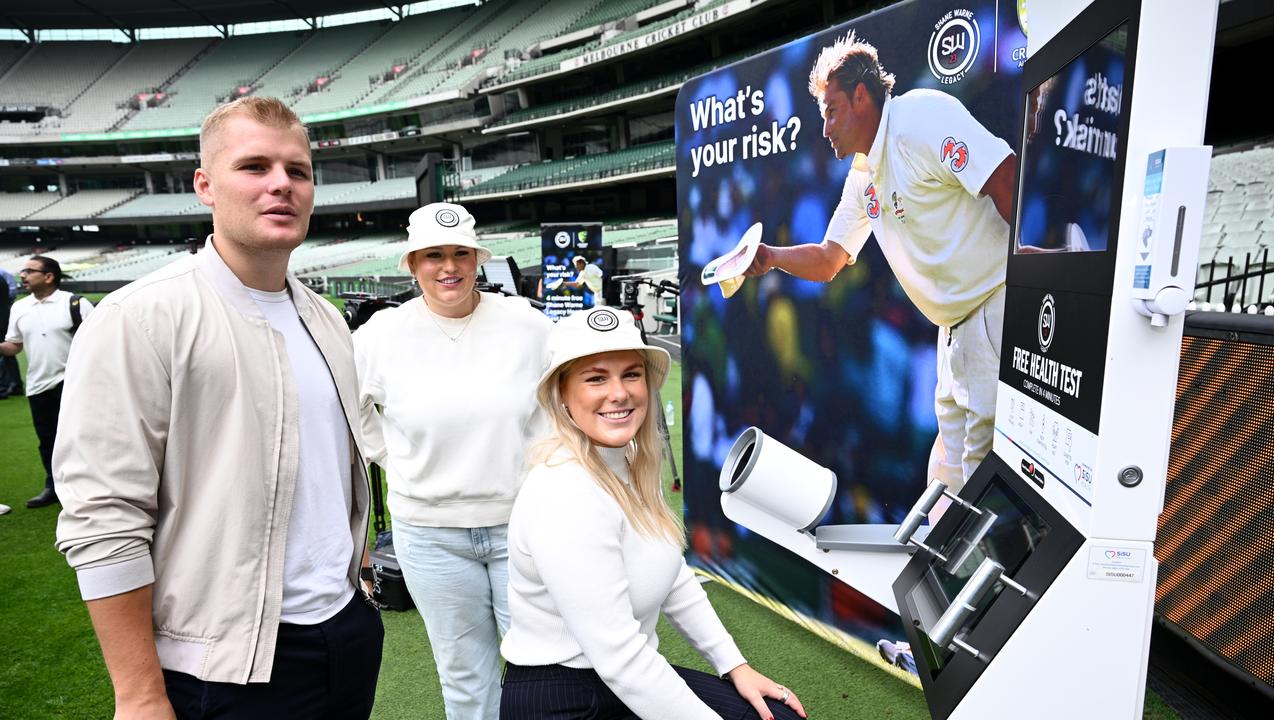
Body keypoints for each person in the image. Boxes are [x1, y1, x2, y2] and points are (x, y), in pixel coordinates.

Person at [54, 96, 382, 718]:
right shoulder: (138, 318)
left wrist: (354, 572)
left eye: (298, 170)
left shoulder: (327, 319)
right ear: (205, 185)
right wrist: (139, 694)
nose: (281, 184)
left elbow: (331, 470)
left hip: (345, 631)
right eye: (254, 166)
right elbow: (104, 517)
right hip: (223, 664)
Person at [746, 31, 1016, 510]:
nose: (825, 128)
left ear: (861, 96)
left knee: (981, 479)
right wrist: (770, 257)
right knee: (949, 481)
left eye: (831, 111)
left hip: (993, 307)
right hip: (954, 330)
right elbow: (829, 259)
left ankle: (1007, 562)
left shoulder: (920, 117)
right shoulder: (862, 175)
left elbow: (1004, 175)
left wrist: (1036, 274)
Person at [500, 306, 807, 720]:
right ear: (562, 395)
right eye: (595, 378)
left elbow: (672, 574)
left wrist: (735, 666)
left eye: (631, 374)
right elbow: (621, 659)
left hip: (617, 679)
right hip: (565, 700)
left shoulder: (628, 461)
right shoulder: (564, 493)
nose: (619, 393)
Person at [353, 201, 552, 720]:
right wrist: (389, 455)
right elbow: (349, 407)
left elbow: (562, 399)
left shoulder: (526, 323)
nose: (449, 267)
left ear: (477, 259)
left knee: (547, 666)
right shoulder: (380, 334)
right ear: (412, 264)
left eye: (461, 253)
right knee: (464, 675)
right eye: (433, 255)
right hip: (429, 536)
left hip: (523, 526)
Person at [0, 255, 93, 509]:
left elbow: (99, 341)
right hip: (37, 384)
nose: (23, 275)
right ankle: (54, 486)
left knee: (83, 437)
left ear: (49, 276)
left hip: (74, 382)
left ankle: (90, 486)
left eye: (30, 271)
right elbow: (15, 345)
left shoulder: (75, 303)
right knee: (48, 439)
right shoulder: (20, 308)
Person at [0, 265, 20, 398]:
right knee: (7, 356)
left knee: (5, 353)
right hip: (3, 317)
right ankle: (13, 384)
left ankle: (4, 386)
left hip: (2, 319)